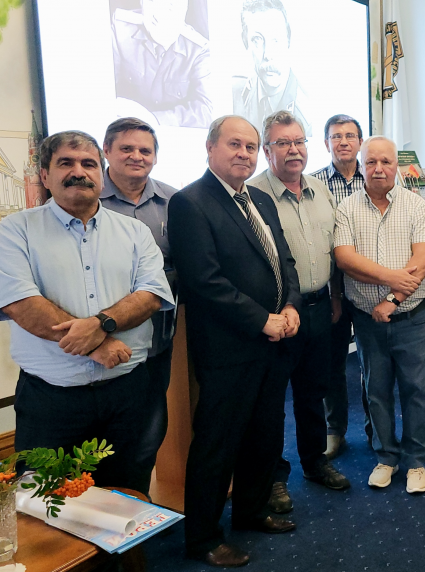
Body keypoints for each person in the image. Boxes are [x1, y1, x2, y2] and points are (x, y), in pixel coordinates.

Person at [0, 130, 174, 494]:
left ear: (101, 174)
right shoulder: (14, 231)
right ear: (44, 175)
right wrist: (97, 346)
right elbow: (21, 303)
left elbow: (152, 294)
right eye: (66, 163)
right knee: (46, 501)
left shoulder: (135, 232)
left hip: (128, 393)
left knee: (127, 494)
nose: (78, 171)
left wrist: (101, 324)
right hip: (51, 401)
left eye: (88, 164)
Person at [168, 115, 302, 567]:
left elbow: (284, 262)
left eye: (249, 146)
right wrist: (262, 320)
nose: (243, 153)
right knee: (217, 445)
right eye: (234, 145)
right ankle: (203, 538)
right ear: (210, 148)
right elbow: (204, 281)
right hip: (229, 349)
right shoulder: (190, 202)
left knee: (264, 436)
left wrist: (291, 306)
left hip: (275, 341)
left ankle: (251, 511)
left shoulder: (259, 198)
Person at [250, 110, 350, 514]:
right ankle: (274, 477)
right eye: (283, 143)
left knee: (313, 393)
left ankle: (314, 462)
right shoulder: (252, 195)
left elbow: (333, 250)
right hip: (277, 316)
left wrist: (336, 296)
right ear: (266, 150)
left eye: (299, 141)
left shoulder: (320, 190)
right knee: (271, 402)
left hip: (320, 307)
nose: (294, 150)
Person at [333, 136, 425, 494]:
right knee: (375, 391)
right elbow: (345, 259)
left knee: (416, 391)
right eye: (371, 162)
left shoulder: (416, 206)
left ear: (397, 166)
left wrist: (392, 298)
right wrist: (392, 278)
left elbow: (423, 258)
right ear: (361, 166)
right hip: (366, 320)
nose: (379, 169)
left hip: (411, 317)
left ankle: (416, 462)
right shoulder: (347, 208)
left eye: (386, 162)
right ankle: (386, 458)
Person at [99, 117, 179, 496]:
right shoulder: (86, 201)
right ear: (107, 151)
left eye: (145, 150)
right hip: (101, 345)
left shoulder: (174, 202)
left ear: (155, 157)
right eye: (126, 148)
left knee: (148, 435)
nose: (137, 156)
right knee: (100, 444)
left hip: (157, 344)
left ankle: (135, 505)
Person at [312, 114, 368, 458]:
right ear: (326, 143)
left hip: (371, 286)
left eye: (350, 135)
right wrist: (334, 293)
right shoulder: (313, 184)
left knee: (373, 362)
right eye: (336, 136)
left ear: (360, 141)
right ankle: (335, 430)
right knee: (332, 364)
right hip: (331, 289)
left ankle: (376, 427)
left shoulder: (377, 175)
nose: (343, 142)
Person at [111, 0, 212, 128]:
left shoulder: (199, 50)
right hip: (126, 127)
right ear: (141, 3)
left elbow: (206, 110)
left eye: (171, 3)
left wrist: (154, 119)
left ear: (184, 8)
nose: (160, 12)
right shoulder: (120, 28)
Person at [233, 0, 311, 136]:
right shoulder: (236, 93)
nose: (268, 55)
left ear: (288, 39)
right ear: (245, 41)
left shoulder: (308, 110)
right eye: (257, 40)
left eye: (275, 40)